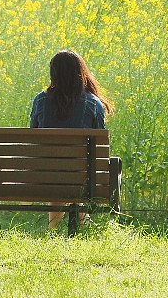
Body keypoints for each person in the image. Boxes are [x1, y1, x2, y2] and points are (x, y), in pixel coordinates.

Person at [30, 49, 114, 229]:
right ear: (81, 72)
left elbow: (33, 135)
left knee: (56, 169)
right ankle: (83, 226)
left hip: (45, 176)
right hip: (82, 176)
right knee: (80, 170)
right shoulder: (93, 103)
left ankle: (53, 230)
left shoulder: (40, 100)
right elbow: (99, 144)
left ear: (53, 73)